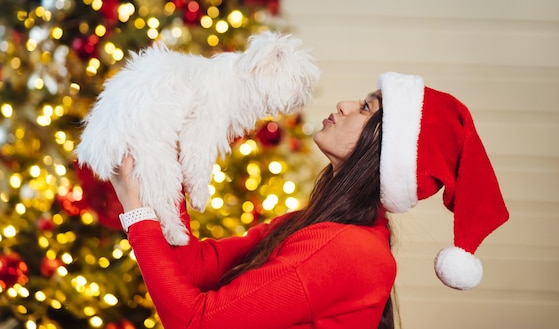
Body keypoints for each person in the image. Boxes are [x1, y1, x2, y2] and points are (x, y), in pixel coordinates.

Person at [109, 72, 509, 329]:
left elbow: (194, 322)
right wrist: (162, 177)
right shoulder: (312, 226)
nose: (345, 105)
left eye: (367, 107)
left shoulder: (349, 250)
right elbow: (194, 268)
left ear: (386, 149)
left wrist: (139, 214)